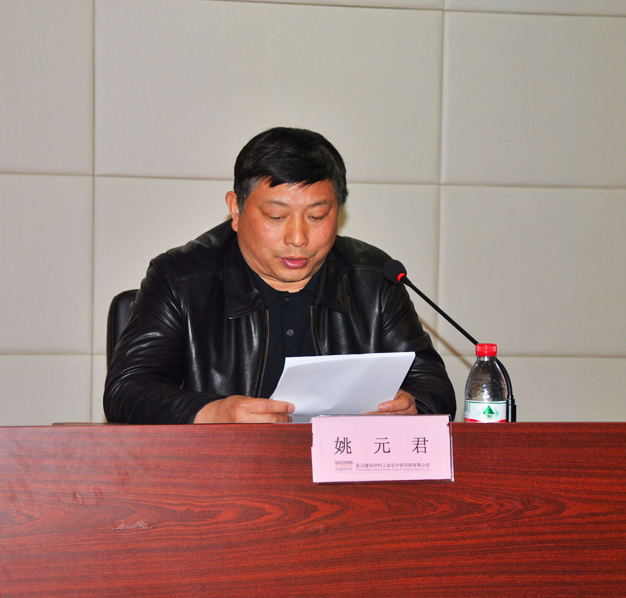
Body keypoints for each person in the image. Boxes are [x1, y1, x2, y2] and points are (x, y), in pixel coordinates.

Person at [104, 127, 455, 424]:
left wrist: (412, 407)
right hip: (224, 476)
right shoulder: (180, 279)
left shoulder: (373, 278)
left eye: (317, 216)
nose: (298, 238)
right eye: (276, 216)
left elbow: (433, 386)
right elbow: (126, 390)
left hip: (345, 473)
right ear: (236, 209)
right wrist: (213, 413)